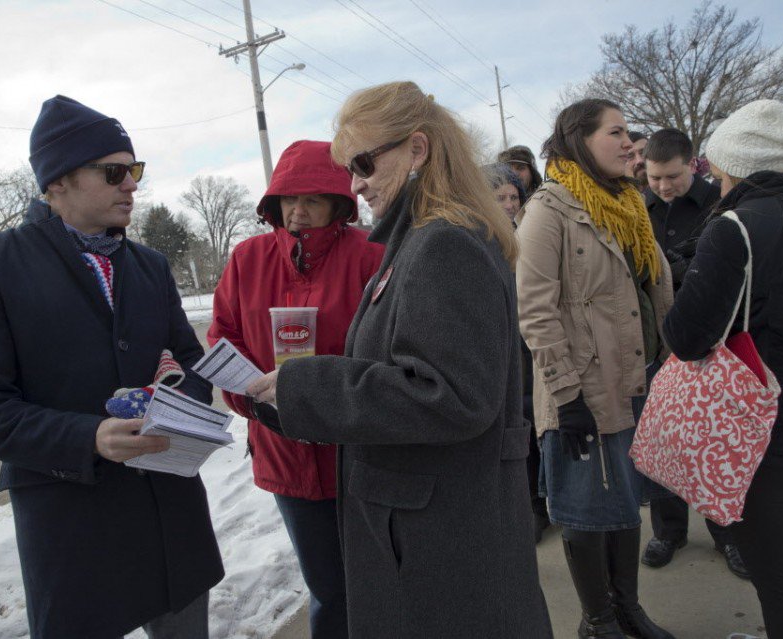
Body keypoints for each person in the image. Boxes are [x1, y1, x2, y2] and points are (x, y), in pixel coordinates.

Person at [247, 81, 553, 638]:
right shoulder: (420, 238)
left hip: (438, 539)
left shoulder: (443, 243)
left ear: (417, 148)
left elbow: (452, 396)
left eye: (364, 163)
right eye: (350, 170)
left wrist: (307, 386)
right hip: (432, 526)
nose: (356, 184)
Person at [0, 96, 223, 638]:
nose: (131, 185)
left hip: (171, 517)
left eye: (135, 170)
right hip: (73, 529)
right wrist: (89, 436)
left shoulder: (150, 265)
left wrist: (183, 404)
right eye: (114, 172)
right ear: (58, 181)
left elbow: (190, 360)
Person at [664, 99, 783, 639]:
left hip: (763, 433)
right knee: (780, 561)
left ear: (732, 163)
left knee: (780, 584)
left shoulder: (739, 226)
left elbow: (686, 338)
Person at [207, 139, 383, 638]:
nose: (298, 212)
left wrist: (342, 397)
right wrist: (251, 401)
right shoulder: (248, 258)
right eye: (289, 200)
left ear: (338, 204)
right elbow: (223, 336)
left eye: (312, 200)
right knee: (327, 585)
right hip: (284, 451)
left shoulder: (370, 254)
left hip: (361, 452)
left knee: (377, 580)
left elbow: (389, 343)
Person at [517, 98, 675, 639]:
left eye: (629, 132)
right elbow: (535, 311)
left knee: (625, 500)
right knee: (586, 508)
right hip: (584, 388)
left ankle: (628, 608)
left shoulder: (628, 202)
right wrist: (566, 396)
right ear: (579, 139)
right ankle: (598, 620)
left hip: (637, 377)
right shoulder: (548, 209)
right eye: (616, 132)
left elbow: (651, 289)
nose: (629, 143)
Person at [639, 128, 748, 579]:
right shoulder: (639, 208)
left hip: (712, 340)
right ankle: (669, 530)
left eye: (672, 176)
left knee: (717, 441)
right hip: (659, 339)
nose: (663, 186)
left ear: (692, 164)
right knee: (665, 439)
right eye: (655, 178)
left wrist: (678, 268)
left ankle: (728, 534)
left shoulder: (719, 203)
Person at [486, 163, 551, 541]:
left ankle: (539, 505)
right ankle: (525, 507)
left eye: (514, 197)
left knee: (533, 428)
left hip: (528, 350)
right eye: (501, 198)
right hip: (501, 351)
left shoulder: (526, 236)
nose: (510, 204)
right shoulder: (477, 240)